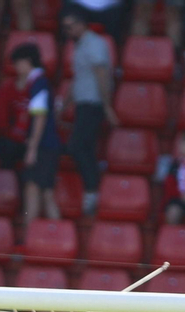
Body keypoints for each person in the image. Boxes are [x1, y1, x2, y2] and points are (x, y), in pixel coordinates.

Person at [62, 11, 114, 216]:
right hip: (83, 103)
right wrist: (65, 105)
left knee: (77, 146)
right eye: (66, 27)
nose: (69, 31)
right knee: (85, 146)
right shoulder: (79, 46)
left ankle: (93, 189)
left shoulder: (94, 43)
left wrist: (107, 105)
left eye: (72, 25)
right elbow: (78, 80)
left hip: (93, 103)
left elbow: (102, 75)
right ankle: (93, 189)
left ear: (83, 24)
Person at [5, 43, 59, 225]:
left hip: (43, 146)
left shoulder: (38, 83)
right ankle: (57, 236)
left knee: (32, 188)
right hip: (48, 145)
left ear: (27, 61)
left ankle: (30, 235)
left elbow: (40, 117)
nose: (15, 68)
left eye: (17, 63)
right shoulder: (41, 83)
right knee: (46, 193)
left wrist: (32, 148)